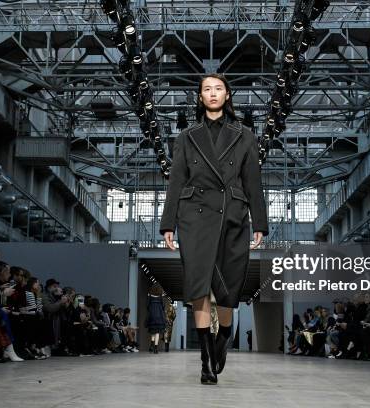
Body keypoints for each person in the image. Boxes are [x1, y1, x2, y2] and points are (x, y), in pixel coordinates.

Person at [160, 73, 269, 384]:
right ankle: (206, 361)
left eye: (218, 88)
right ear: (199, 97)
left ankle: (224, 335)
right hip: (194, 216)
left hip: (233, 214)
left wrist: (259, 222)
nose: (212, 93)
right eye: (206, 89)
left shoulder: (245, 135)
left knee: (228, 290)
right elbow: (176, 180)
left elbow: (253, 181)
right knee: (198, 287)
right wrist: (167, 223)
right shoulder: (186, 136)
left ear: (227, 95)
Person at [145, 285, 166, 354]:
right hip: (159, 315)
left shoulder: (149, 294)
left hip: (152, 314)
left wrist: (150, 309)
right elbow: (163, 305)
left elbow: (147, 305)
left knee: (153, 331)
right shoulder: (161, 295)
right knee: (157, 332)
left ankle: (151, 345)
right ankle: (156, 348)